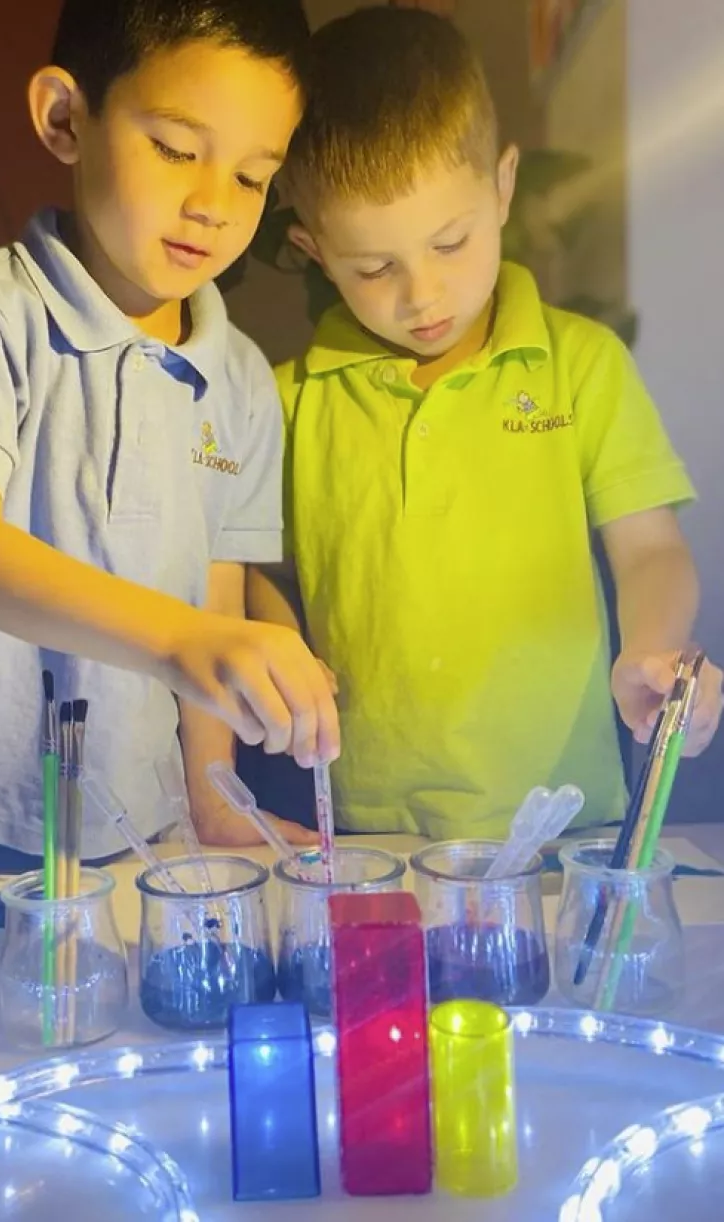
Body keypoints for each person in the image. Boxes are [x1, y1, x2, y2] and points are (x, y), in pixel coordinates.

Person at [0, 0, 335, 860]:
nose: (213, 205)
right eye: (178, 150)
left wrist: (212, 797)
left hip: (134, 829)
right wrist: (181, 640)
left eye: (254, 177)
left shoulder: (243, 383)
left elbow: (213, 597)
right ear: (66, 117)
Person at [248, 6, 723, 837]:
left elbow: (650, 549)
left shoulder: (582, 364)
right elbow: (260, 572)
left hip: (565, 824)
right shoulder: (285, 402)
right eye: (374, 267)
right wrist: (279, 650)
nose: (421, 295)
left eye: (452, 242)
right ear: (315, 250)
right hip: (372, 833)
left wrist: (652, 648)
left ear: (503, 187)